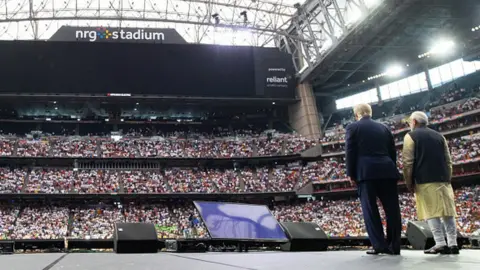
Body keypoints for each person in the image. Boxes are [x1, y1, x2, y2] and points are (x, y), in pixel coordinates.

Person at [345, 103, 402, 255]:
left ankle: (379, 245)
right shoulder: (384, 127)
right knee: (393, 209)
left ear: (356, 114)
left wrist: (350, 173)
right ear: (370, 112)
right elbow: (392, 151)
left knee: (370, 209)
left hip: (366, 172)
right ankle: (394, 246)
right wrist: (391, 167)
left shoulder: (353, 127)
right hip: (387, 170)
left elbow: (350, 151)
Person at [402, 111, 459, 255]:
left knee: (431, 212)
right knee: (448, 212)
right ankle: (453, 243)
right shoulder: (440, 137)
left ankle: (440, 243)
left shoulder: (410, 136)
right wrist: (448, 177)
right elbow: (448, 161)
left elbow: (408, 163)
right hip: (444, 180)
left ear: (414, 122)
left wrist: (408, 182)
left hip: (424, 180)